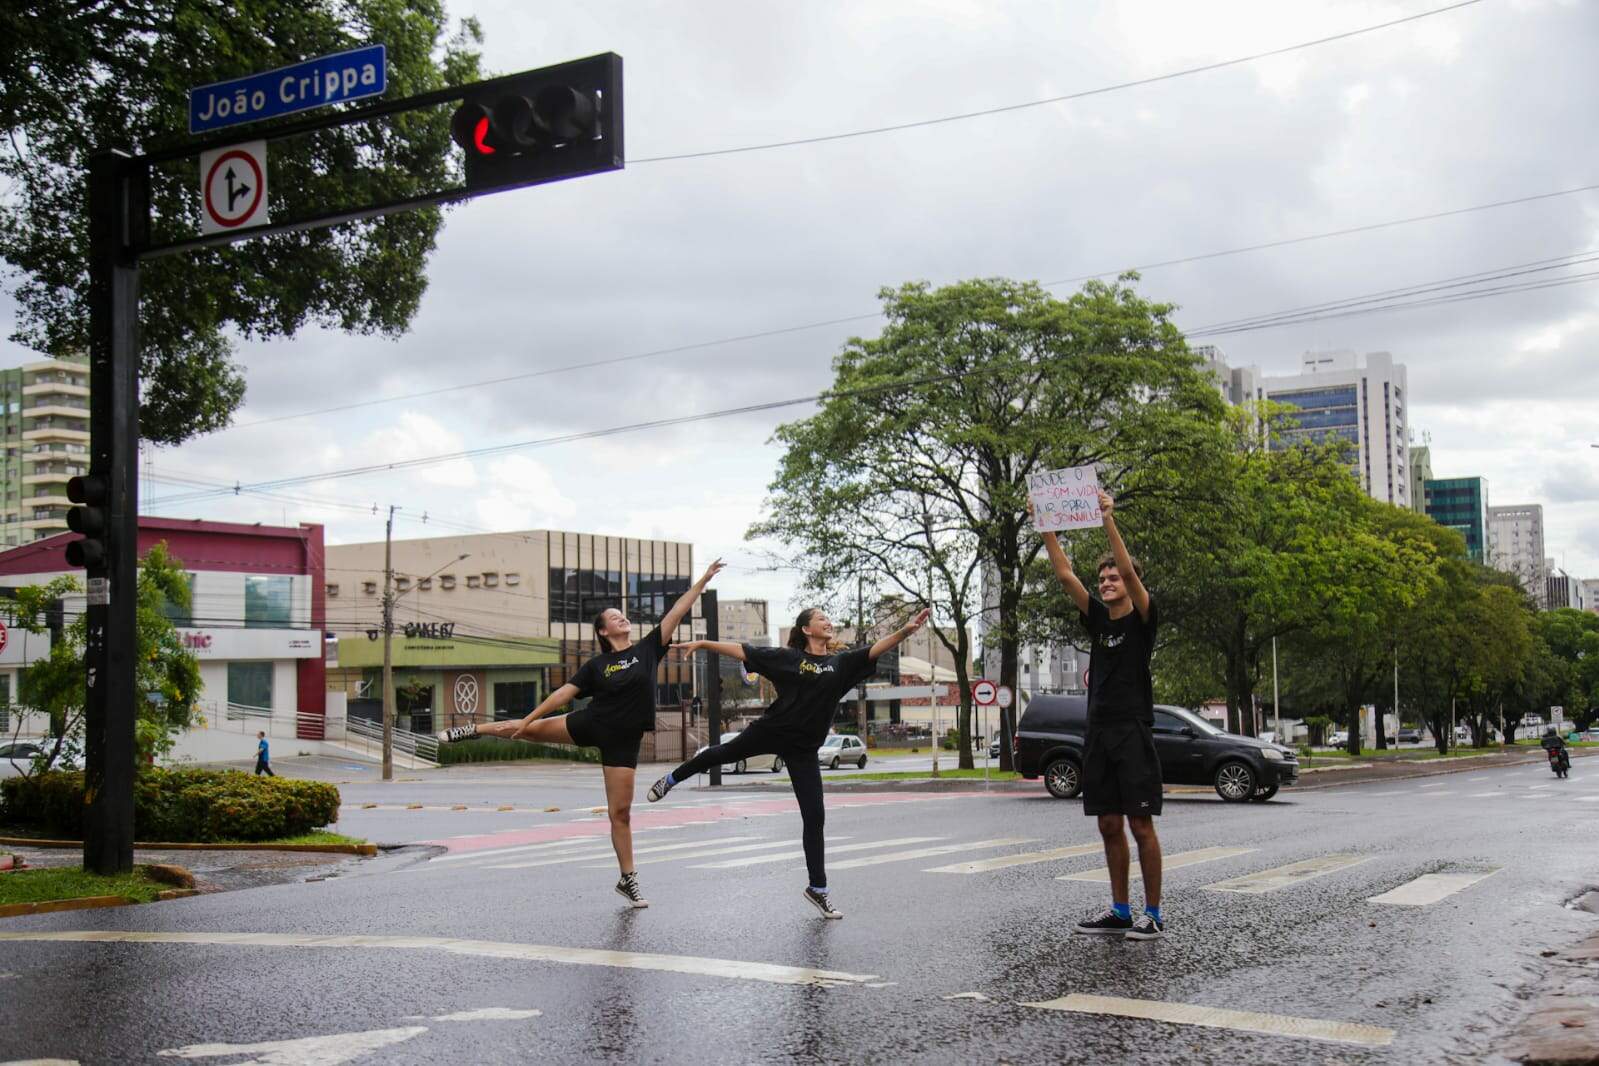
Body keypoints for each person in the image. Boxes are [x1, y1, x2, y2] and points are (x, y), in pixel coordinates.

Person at [437, 559, 725, 908]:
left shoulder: (648, 649)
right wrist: (531, 719)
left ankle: (627, 879)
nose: (622, 618)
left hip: (624, 741)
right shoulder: (596, 666)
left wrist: (702, 581)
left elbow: (676, 612)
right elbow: (563, 695)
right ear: (603, 631)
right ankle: (473, 729)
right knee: (523, 731)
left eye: (623, 614)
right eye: (614, 617)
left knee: (620, 813)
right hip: (591, 722)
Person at [646, 605, 930, 920]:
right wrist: (703, 644)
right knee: (719, 754)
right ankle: (670, 780)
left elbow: (874, 649)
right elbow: (743, 650)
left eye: (827, 617)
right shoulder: (790, 659)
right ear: (807, 629)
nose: (828, 621)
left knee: (815, 817)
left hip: (804, 750)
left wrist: (906, 631)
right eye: (821, 618)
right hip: (772, 732)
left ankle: (818, 889)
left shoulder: (841, 663)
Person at [1034, 489, 1165, 941]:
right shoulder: (1097, 619)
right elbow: (1066, 574)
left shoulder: (1143, 620)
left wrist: (1109, 519)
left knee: (1139, 823)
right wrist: (1044, 524)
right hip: (1099, 732)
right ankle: (1120, 910)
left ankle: (1153, 913)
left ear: (1129, 585)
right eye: (1104, 578)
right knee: (1108, 823)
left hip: (1133, 731)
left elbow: (1130, 568)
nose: (1108, 581)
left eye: (1114, 577)